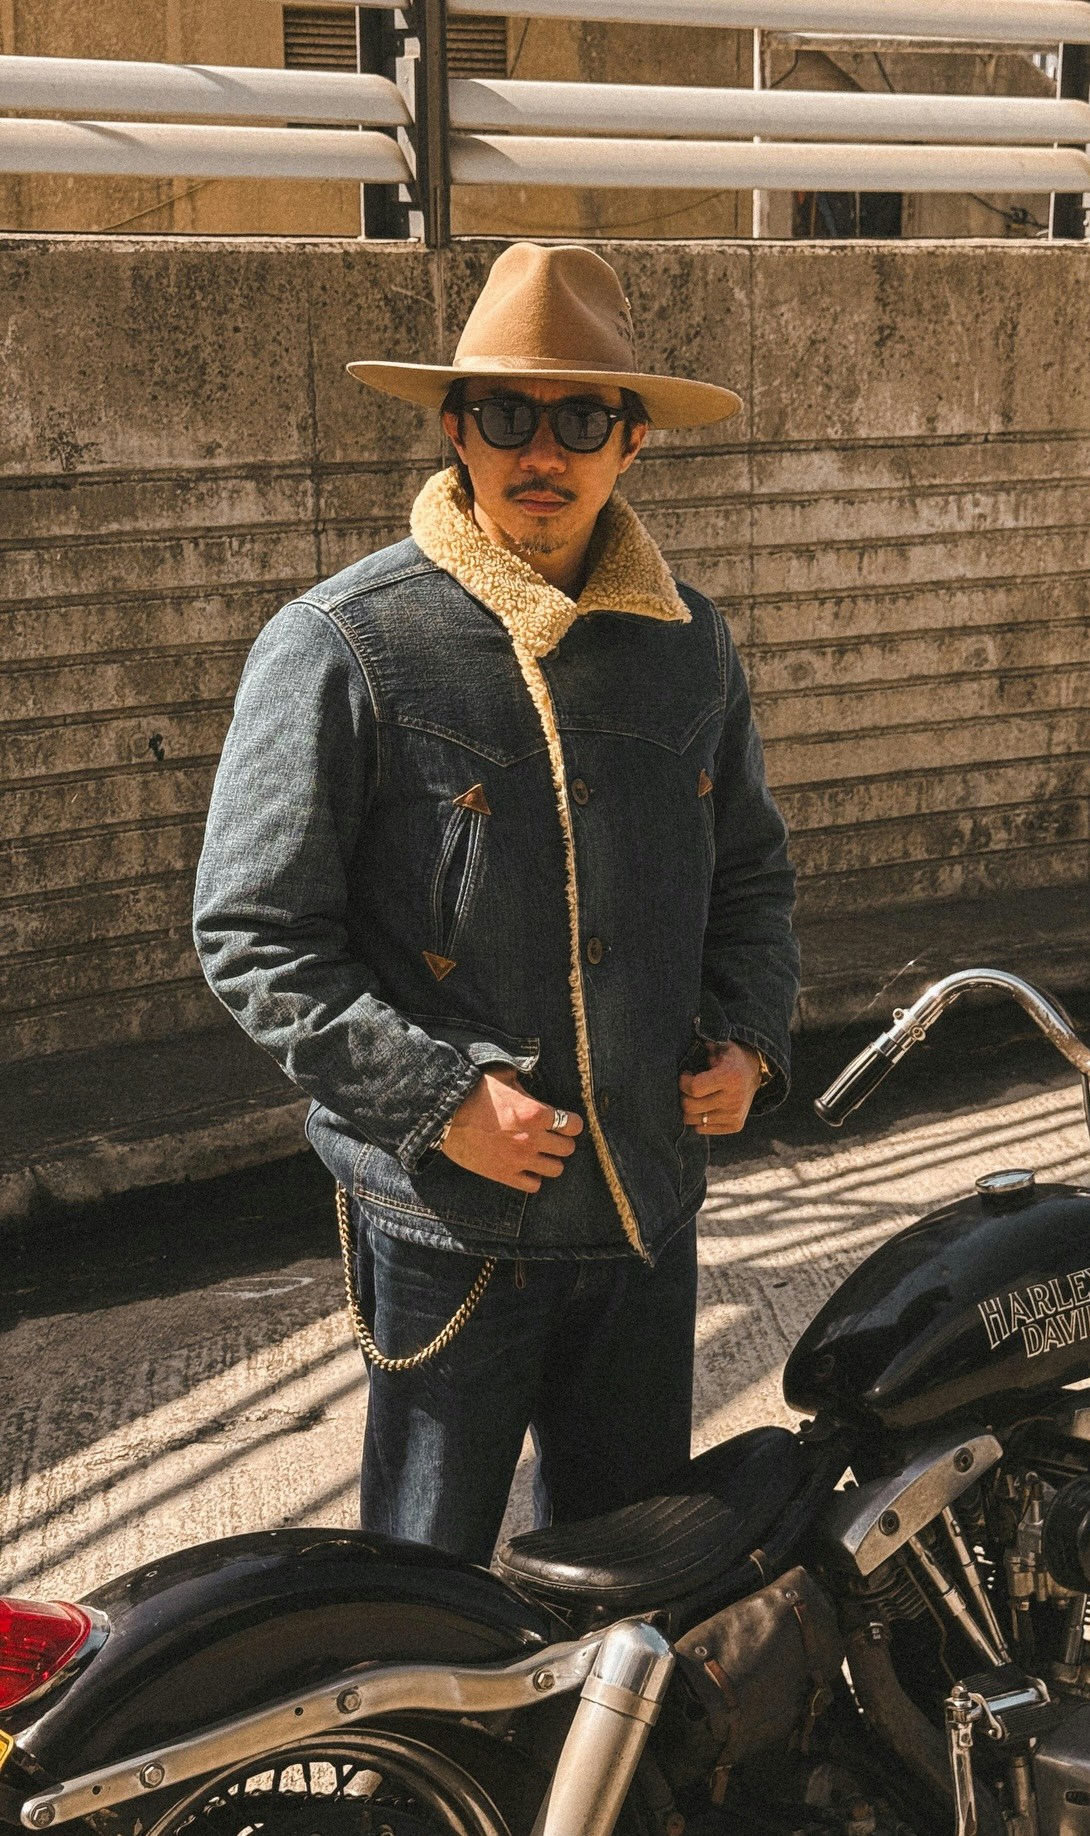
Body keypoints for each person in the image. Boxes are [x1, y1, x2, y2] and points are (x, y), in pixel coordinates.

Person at [193, 243, 800, 1566]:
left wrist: (751, 1037)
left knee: (631, 1584)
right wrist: (441, 1101)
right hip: (450, 1228)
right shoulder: (347, 642)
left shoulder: (688, 644)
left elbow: (750, 871)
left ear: (632, 441)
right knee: (422, 1590)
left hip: (642, 1214)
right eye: (507, 414)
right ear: (455, 428)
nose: (542, 452)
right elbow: (253, 931)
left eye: (581, 419)